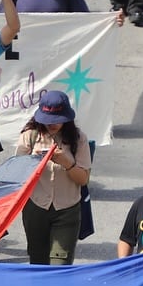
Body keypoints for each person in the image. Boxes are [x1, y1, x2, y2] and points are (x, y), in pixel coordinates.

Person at [14, 91, 90, 265]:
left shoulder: (79, 139)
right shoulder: (30, 136)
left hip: (67, 209)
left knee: (59, 265)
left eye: (57, 120)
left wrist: (66, 162)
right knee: (37, 262)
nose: (52, 125)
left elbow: (83, 179)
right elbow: (17, 173)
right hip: (36, 207)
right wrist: (35, 163)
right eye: (48, 120)